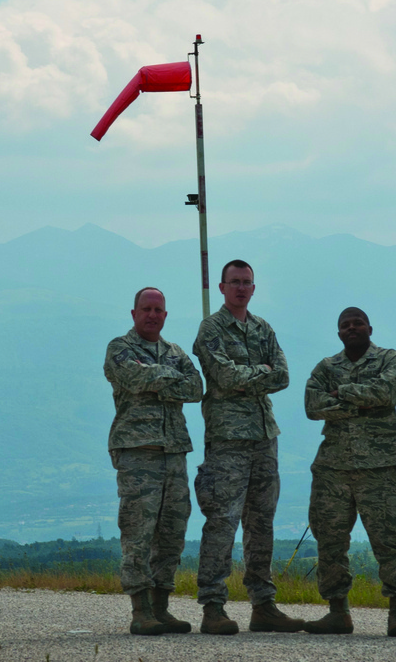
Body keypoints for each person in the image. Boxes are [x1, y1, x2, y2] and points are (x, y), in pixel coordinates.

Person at [192, 259, 304, 635]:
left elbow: (284, 375)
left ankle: (264, 605)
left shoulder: (262, 328)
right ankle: (212, 605)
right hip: (227, 440)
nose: (241, 288)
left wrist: (245, 379)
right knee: (222, 522)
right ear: (222, 288)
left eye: (247, 282)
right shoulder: (211, 329)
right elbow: (222, 375)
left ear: (254, 289)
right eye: (234, 282)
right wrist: (262, 374)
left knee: (262, 524)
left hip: (263, 438)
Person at [304, 307, 396, 637]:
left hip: (379, 466)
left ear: (369, 327)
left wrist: (343, 393)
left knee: (390, 539)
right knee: (330, 540)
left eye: (357, 324)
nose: (351, 328)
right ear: (339, 333)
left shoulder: (389, 360)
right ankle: (338, 612)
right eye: (345, 326)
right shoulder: (326, 366)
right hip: (333, 468)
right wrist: (364, 400)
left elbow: (389, 392)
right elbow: (312, 406)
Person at [103, 286, 204, 635]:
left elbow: (196, 388)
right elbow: (132, 376)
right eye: (146, 309)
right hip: (138, 452)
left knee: (172, 533)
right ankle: (140, 610)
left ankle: (161, 607)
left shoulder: (175, 351)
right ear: (134, 314)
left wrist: (155, 379)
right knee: (138, 532)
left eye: (158, 309)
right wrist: (165, 380)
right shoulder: (120, 348)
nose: (152, 315)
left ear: (165, 314)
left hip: (174, 452)